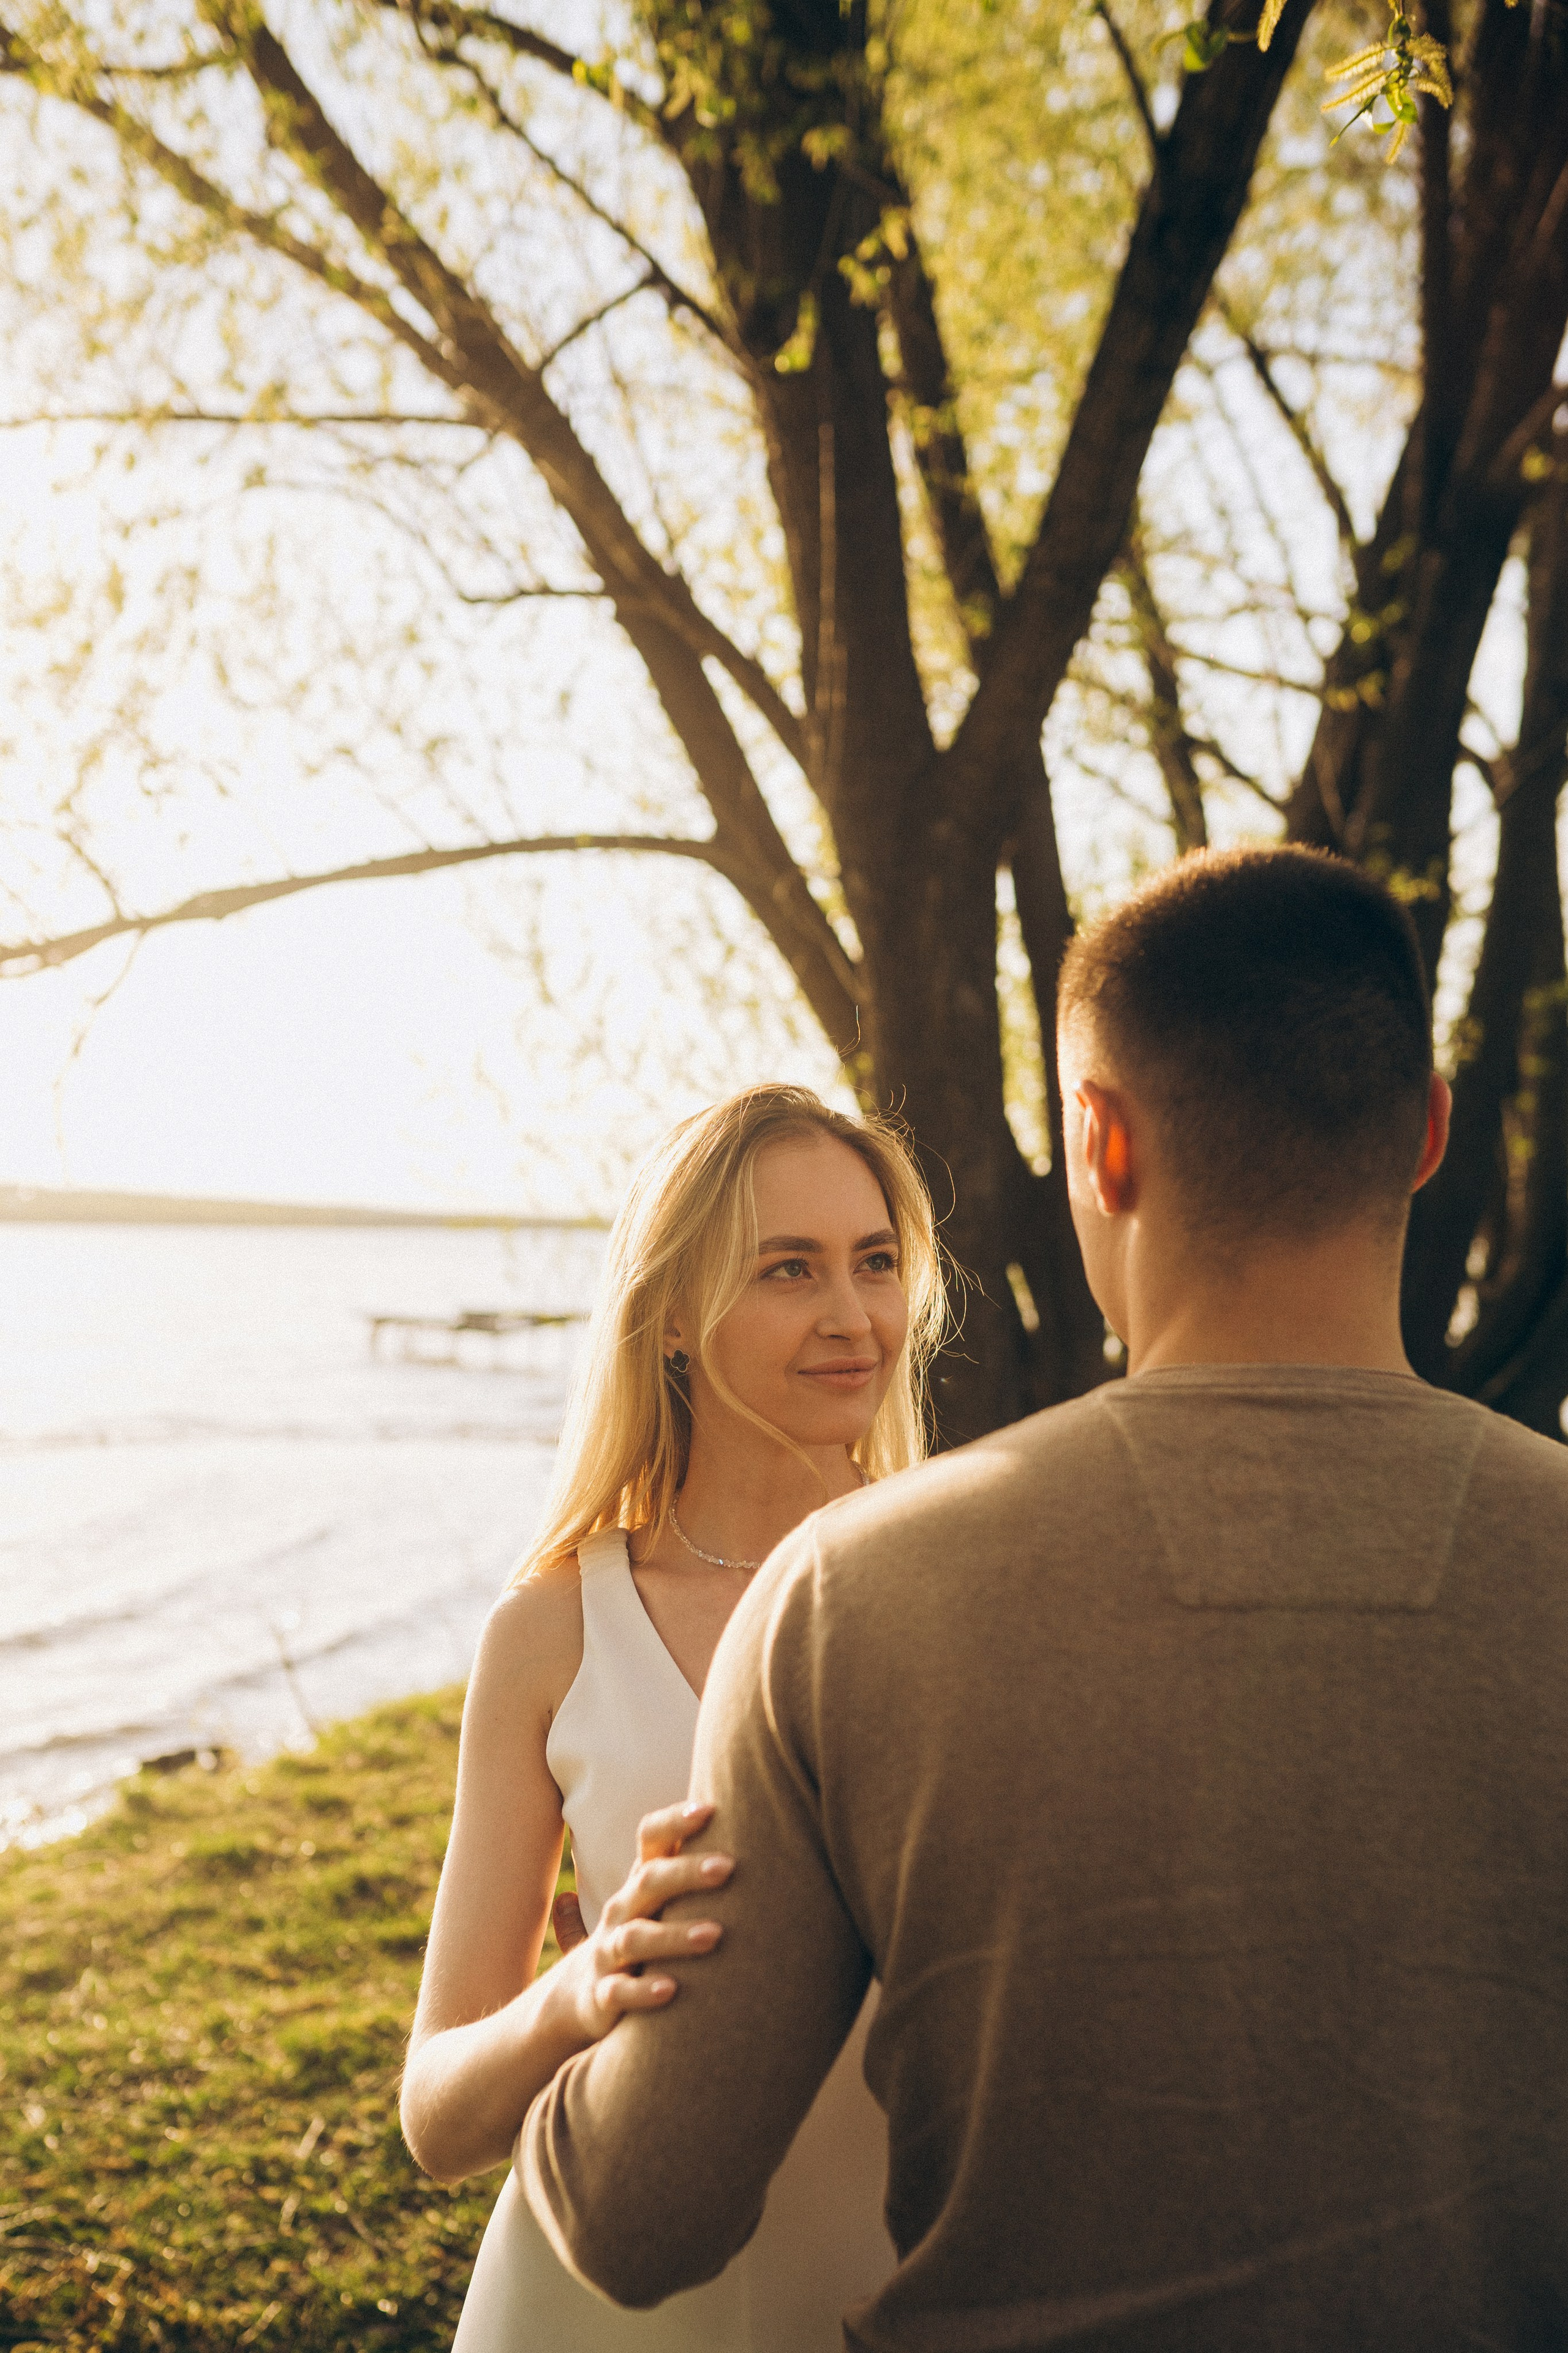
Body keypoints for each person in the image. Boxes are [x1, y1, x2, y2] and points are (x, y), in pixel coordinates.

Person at [518, 846, 1568, 2350]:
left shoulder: (845, 1596)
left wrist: (589, 2012)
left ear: (1098, 1141)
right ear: (1426, 1133)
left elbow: (639, 2217)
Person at [400, 1083, 947, 2348]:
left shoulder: (963, 1582)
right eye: (788, 1268)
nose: (853, 1316)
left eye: (875, 1262)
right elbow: (437, 2118)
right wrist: (582, 1992)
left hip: (888, 2289)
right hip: (591, 2302)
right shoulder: (553, 1629)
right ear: (672, 1318)